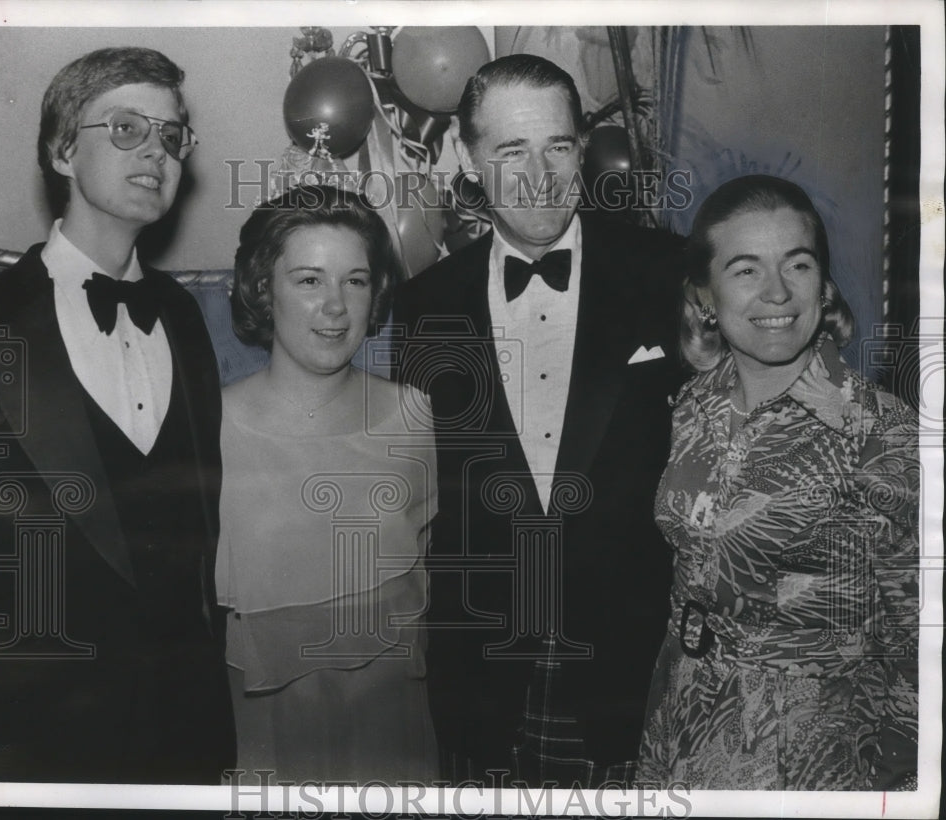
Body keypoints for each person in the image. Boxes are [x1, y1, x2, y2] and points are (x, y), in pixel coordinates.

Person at [393, 54, 685, 787]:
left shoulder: (668, 273)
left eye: (557, 146)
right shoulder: (424, 306)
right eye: (511, 150)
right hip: (485, 680)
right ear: (466, 156)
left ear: (581, 149)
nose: (541, 173)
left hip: (635, 673)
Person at [0, 47, 235, 783]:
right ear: (63, 149)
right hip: (32, 742)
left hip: (183, 737)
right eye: (127, 128)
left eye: (172, 135)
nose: (156, 149)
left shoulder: (186, 316)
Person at [636, 175, 919, 790]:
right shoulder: (690, 405)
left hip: (815, 751)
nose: (777, 293)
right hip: (681, 720)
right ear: (704, 297)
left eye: (798, 264)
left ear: (825, 283)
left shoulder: (884, 432)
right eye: (745, 270)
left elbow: (921, 628)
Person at [217, 185, 439, 782]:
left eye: (356, 281)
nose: (336, 306)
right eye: (310, 280)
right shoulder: (209, 427)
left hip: (391, 740)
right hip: (262, 745)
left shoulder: (416, 417)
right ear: (264, 290)